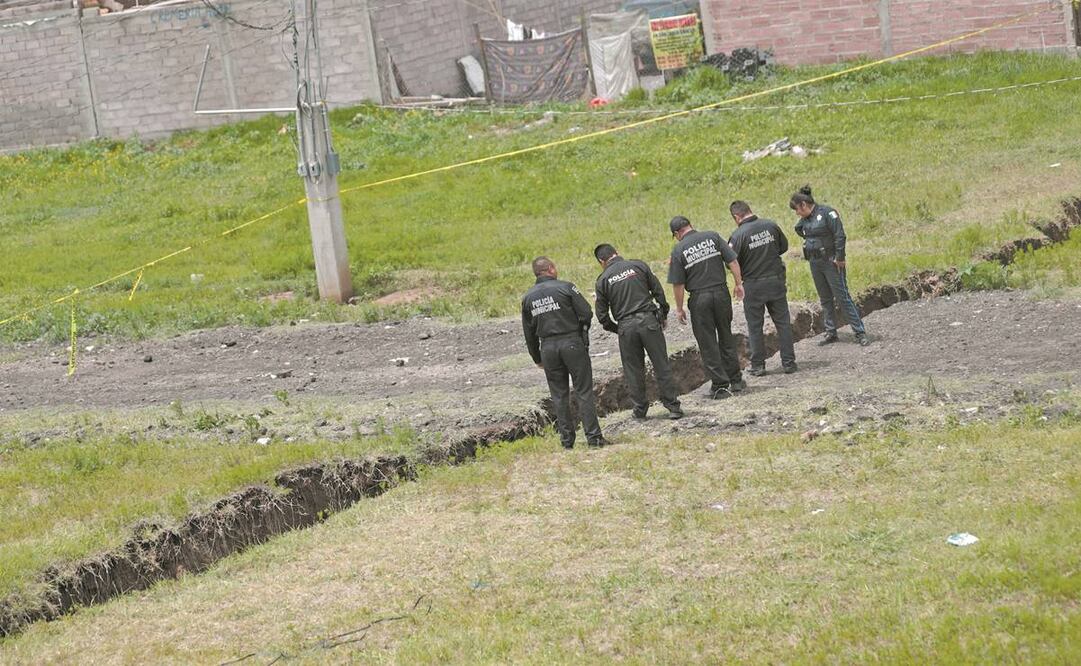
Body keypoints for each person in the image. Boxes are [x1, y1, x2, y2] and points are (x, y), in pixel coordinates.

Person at [521, 256, 610, 449]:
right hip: (571, 342)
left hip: (548, 348)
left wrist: (537, 358)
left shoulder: (528, 297)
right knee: (583, 391)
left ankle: (567, 441)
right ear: (551, 269)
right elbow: (586, 312)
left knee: (559, 395)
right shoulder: (566, 287)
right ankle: (594, 438)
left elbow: (528, 333)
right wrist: (579, 329)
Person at [593, 243, 684, 421]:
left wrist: (618, 329)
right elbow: (658, 291)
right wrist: (662, 313)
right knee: (661, 365)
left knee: (633, 370)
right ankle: (673, 407)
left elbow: (602, 317)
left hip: (626, 327)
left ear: (601, 261)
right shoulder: (638, 265)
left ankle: (640, 411)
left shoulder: (602, 280)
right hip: (649, 321)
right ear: (617, 253)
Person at [666, 215, 746, 400]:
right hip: (721, 293)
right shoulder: (712, 236)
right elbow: (732, 261)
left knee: (707, 342)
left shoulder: (679, 250)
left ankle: (720, 386)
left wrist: (679, 308)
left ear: (677, 233)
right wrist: (738, 283)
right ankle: (736, 380)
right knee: (726, 335)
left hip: (700, 298)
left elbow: (677, 284)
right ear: (690, 225)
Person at [790, 186, 870, 347]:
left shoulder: (827, 213)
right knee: (825, 298)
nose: (797, 213)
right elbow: (799, 229)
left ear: (804, 205)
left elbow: (840, 235)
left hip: (831, 262)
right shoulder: (805, 220)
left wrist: (840, 257)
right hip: (815, 262)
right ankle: (830, 331)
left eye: (797, 209)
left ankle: (860, 332)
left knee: (842, 297)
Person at [727, 201, 798, 376]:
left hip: (753, 285)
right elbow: (784, 247)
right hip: (775, 281)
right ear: (749, 210)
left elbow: (732, 263)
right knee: (783, 323)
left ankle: (758, 366)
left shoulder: (737, 236)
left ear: (737, 217)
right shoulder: (770, 225)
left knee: (755, 326)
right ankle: (789, 363)